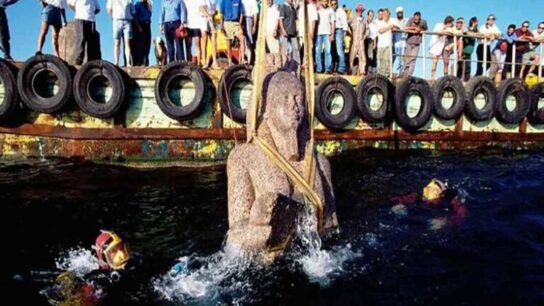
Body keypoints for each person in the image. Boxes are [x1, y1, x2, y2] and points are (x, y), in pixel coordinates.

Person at [39, 231, 140, 305]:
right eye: (113, 252)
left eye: (122, 248)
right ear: (103, 257)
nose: (121, 255)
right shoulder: (96, 281)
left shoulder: (137, 262)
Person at [68, 0, 101, 65]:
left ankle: (91, 61)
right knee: (81, 39)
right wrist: (77, 10)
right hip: (80, 18)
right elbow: (70, 3)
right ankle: (79, 60)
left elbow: (98, 8)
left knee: (91, 41)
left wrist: (91, 13)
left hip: (91, 20)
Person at [107, 0, 134, 67]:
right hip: (117, 21)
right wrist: (113, 17)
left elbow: (133, 10)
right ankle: (116, 62)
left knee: (127, 43)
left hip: (127, 21)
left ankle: (128, 63)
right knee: (117, 43)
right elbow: (109, 9)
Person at [402, 11, 428, 77]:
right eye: (415, 19)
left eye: (417, 19)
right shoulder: (410, 20)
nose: (416, 20)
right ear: (413, 17)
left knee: (413, 59)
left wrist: (420, 30)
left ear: (419, 18)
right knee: (407, 59)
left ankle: (409, 75)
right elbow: (405, 28)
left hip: (417, 43)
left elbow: (427, 30)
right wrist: (414, 28)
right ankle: (405, 74)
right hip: (409, 42)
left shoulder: (423, 22)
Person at [219, 0, 245, 66]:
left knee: (242, 38)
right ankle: (230, 62)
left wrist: (240, 23)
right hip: (227, 23)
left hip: (236, 23)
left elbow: (242, 12)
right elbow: (221, 14)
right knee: (229, 43)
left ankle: (243, 59)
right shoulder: (224, 1)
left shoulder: (238, 1)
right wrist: (222, 25)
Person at [429, 15, 454, 80]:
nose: (451, 25)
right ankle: (432, 77)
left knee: (446, 62)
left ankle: (445, 77)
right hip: (434, 46)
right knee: (435, 62)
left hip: (441, 47)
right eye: (451, 23)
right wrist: (445, 31)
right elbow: (438, 33)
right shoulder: (438, 25)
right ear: (448, 22)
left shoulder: (449, 29)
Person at [315, 0, 335, 73]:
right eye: (324, 1)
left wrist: (332, 34)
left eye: (326, 1)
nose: (325, 2)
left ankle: (327, 69)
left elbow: (333, 23)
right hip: (318, 33)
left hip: (327, 33)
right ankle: (319, 68)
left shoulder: (330, 11)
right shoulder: (317, 11)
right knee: (318, 51)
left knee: (328, 51)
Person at [185, 0, 207, 65]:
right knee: (188, 44)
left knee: (197, 44)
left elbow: (202, 8)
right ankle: (189, 62)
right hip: (188, 25)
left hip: (197, 24)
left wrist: (207, 15)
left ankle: (199, 62)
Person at [279, 0, 300, 66]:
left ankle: (296, 64)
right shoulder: (283, 7)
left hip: (293, 32)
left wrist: (296, 30)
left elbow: (295, 20)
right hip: (286, 32)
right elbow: (280, 20)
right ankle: (284, 65)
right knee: (285, 50)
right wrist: (283, 30)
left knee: (296, 49)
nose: (292, 0)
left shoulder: (293, 8)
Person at [457, 17, 478, 81]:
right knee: (460, 65)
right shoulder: (467, 28)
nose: (476, 23)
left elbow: (481, 34)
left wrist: (474, 34)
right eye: (475, 21)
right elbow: (466, 32)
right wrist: (472, 34)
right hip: (463, 49)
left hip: (469, 51)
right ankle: (458, 79)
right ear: (473, 22)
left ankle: (466, 80)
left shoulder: (476, 30)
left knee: (468, 67)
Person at [132, 0, 152, 66]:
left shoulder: (148, 4)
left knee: (147, 44)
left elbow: (150, 14)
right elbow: (135, 16)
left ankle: (146, 62)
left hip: (147, 25)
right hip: (140, 25)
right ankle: (140, 62)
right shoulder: (138, 5)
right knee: (141, 45)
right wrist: (138, 26)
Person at [348, 3, 366, 76]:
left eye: (361, 10)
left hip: (361, 40)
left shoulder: (364, 20)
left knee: (362, 56)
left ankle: (362, 70)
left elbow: (367, 29)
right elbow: (347, 25)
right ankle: (350, 68)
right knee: (352, 55)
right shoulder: (352, 18)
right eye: (359, 10)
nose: (360, 11)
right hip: (355, 39)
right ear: (356, 10)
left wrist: (364, 36)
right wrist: (350, 33)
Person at [200, 0, 218, 68]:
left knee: (214, 41)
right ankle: (204, 62)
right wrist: (208, 15)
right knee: (204, 40)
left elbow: (215, 10)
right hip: (204, 19)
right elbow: (201, 8)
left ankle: (215, 62)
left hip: (212, 20)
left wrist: (213, 15)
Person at [330, 0, 347, 74]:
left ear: (337, 4)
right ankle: (333, 66)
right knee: (332, 50)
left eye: (335, 4)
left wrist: (344, 34)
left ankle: (341, 68)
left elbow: (345, 23)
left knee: (340, 50)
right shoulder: (330, 10)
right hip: (331, 31)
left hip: (339, 30)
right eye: (332, 4)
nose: (334, 5)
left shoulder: (341, 11)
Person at [376, 8, 394, 77]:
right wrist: (389, 27)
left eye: (387, 14)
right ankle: (379, 76)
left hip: (388, 45)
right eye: (384, 14)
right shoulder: (380, 23)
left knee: (387, 62)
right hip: (380, 45)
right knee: (380, 61)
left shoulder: (391, 21)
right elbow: (380, 31)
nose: (386, 15)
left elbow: (398, 27)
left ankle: (386, 76)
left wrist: (393, 27)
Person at [391, 6, 407, 77]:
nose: (400, 14)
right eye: (398, 13)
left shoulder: (405, 21)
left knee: (401, 59)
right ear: (396, 13)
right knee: (395, 58)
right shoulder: (393, 20)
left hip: (403, 43)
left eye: (401, 13)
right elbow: (392, 27)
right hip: (396, 42)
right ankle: (393, 72)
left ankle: (400, 73)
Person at [241, 0, 258, 65]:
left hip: (249, 18)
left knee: (249, 39)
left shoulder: (253, 1)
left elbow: (255, 14)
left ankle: (249, 61)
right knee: (242, 39)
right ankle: (242, 59)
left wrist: (254, 25)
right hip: (241, 19)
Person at [365, 9, 377, 73]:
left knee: (370, 57)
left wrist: (375, 44)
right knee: (363, 57)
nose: (371, 17)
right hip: (364, 41)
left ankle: (368, 71)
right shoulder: (364, 22)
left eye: (372, 16)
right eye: (370, 15)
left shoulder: (374, 25)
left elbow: (374, 35)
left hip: (370, 41)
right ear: (367, 15)